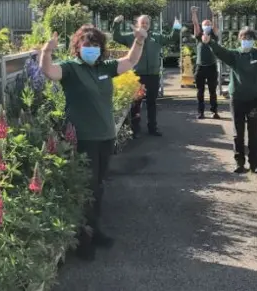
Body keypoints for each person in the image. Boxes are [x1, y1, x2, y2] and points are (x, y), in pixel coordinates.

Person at [39, 23, 147, 260]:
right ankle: (83, 241)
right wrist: (46, 53)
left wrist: (139, 40)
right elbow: (49, 72)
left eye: (96, 45)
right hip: (83, 139)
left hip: (105, 136)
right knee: (84, 189)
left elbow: (130, 61)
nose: (92, 49)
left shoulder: (104, 67)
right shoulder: (70, 68)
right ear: (78, 47)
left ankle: (94, 231)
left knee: (97, 187)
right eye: (87, 45)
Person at [202, 26, 257, 173]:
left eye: (249, 38)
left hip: (254, 99)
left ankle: (255, 163)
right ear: (239, 39)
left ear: (253, 40)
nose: (246, 41)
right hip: (237, 99)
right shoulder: (234, 56)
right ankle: (239, 162)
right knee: (238, 132)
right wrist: (210, 42)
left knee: (254, 132)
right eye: (244, 38)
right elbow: (220, 52)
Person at [112, 14, 181, 137]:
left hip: (153, 75)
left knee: (152, 103)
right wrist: (116, 23)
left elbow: (171, 38)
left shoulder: (156, 37)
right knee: (136, 103)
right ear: (138, 24)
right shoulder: (132, 36)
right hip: (138, 75)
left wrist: (176, 27)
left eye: (147, 23)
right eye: (142, 22)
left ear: (150, 25)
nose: (144, 25)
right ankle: (135, 129)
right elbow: (116, 37)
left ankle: (152, 128)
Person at [190, 5, 220, 119]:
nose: (207, 25)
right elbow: (195, 24)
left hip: (212, 66)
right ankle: (201, 112)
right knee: (200, 91)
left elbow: (215, 25)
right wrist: (194, 13)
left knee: (213, 91)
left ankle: (214, 111)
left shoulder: (214, 35)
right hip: (200, 67)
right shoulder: (199, 36)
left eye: (208, 24)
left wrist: (214, 14)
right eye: (205, 24)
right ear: (202, 26)